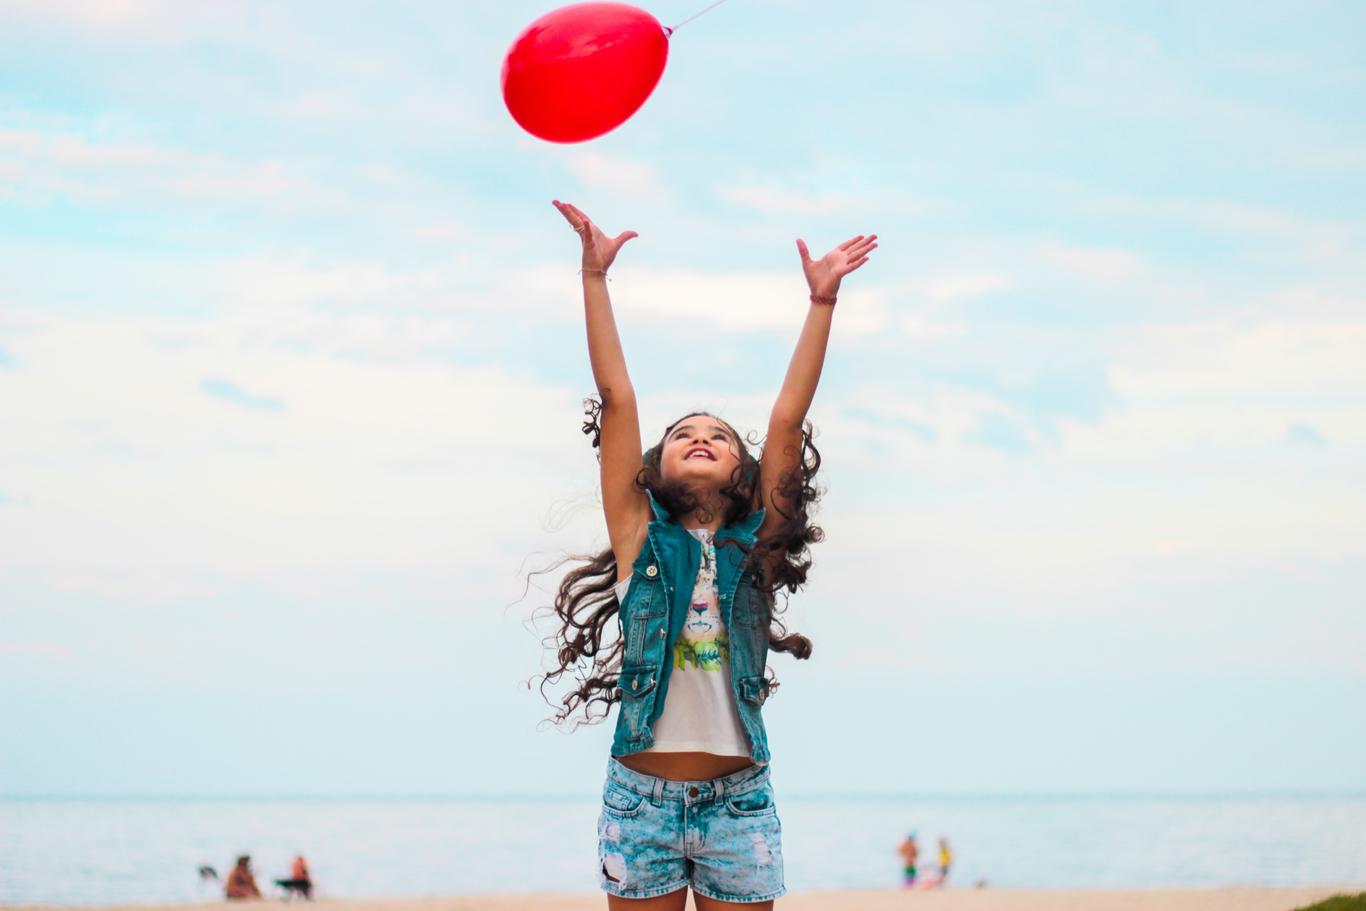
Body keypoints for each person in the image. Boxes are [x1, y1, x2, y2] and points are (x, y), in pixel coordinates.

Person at [541, 200, 876, 909]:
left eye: (719, 436)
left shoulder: (753, 547)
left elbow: (787, 417)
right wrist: (593, 279)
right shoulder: (641, 539)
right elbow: (617, 397)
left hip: (739, 801)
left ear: (744, 473)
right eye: (683, 433)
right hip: (640, 800)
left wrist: (821, 299)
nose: (700, 437)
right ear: (654, 469)